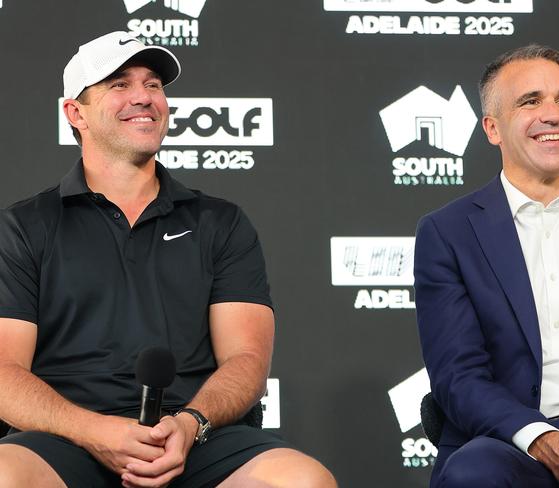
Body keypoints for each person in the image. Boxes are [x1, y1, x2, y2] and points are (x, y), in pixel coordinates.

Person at [0, 31, 337, 488]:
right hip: (65, 439)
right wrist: (94, 431)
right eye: (119, 84)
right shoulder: (24, 226)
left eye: (154, 84)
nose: (143, 97)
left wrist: (188, 424)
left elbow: (246, 359)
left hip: (194, 439)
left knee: (303, 480)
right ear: (74, 113)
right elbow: (4, 371)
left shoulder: (221, 222)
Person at [414, 44, 559, 488]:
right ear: (492, 128)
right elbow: (459, 377)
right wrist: (548, 442)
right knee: (472, 474)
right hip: (512, 445)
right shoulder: (447, 234)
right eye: (530, 101)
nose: (554, 114)